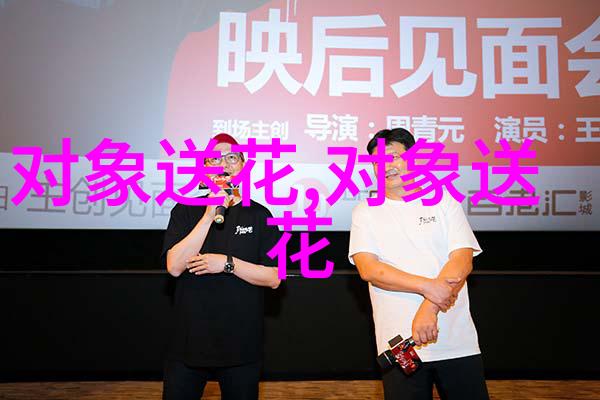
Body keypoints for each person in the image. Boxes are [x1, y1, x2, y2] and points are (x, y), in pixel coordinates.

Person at [348, 128, 490, 400]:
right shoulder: (365, 212)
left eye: (393, 157)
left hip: (456, 341)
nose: (386, 166)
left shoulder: (443, 201)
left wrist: (428, 308)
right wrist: (428, 287)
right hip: (400, 345)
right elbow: (370, 269)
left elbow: (462, 259)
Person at [161, 133, 281, 400]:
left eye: (231, 158)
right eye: (214, 159)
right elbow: (174, 266)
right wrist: (207, 216)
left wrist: (227, 264)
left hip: (241, 346)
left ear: (243, 166)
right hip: (188, 343)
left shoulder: (261, 215)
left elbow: (274, 277)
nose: (224, 165)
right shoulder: (185, 210)